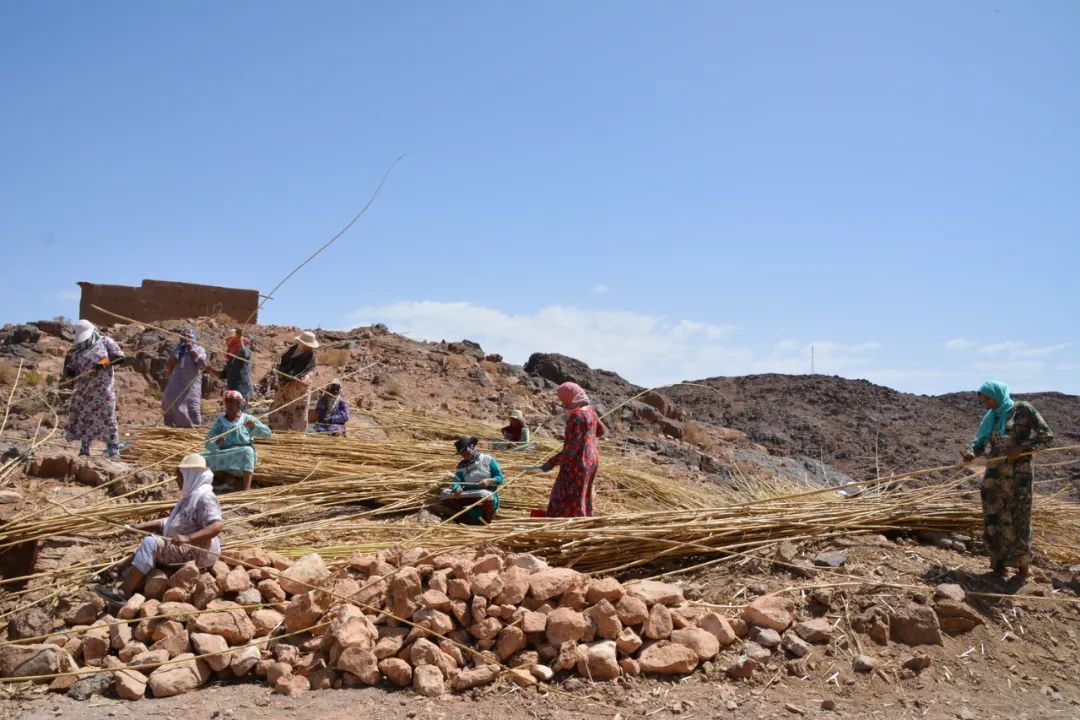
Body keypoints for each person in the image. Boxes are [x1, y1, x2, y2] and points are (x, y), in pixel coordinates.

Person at [95, 454, 223, 603]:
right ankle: (117, 569)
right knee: (152, 540)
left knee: (150, 543)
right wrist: (136, 527)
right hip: (184, 546)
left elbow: (216, 526)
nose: (176, 480)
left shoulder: (205, 497)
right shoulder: (191, 495)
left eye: (179, 476)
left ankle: (123, 592)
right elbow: (170, 522)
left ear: (190, 475)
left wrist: (188, 538)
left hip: (196, 551)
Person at [962, 380, 1054, 581]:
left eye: (988, 398)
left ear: (998, 394)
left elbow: (1047, 436)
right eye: (983, 400)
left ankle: (1022, 566)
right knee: (993, 517)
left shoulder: (1023, 409)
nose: (987, 403)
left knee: (1019, 518)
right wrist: (970, 453)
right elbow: (979, 442)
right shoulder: (991, 417)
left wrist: (1023, 448)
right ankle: (998, 565)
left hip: (1018, 476)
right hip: (994, 476)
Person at [530, 382, 606, 517]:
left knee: (563, 495)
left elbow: (571, 450)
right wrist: (587, 437)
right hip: (591, 460)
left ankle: (561, 523)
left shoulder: (576, 416)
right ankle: (584, 520)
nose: (562, 402)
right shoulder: (590, 411)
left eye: (563, 399)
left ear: (569, 396)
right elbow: (601, 431)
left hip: (577, 463)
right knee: (582, 494)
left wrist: (551, 463)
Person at [64, 320, 125, 457]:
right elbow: (72, 368)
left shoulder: (105, 341)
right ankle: (85, 449)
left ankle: (113, 449)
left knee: (108, 417)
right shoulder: (78, 350)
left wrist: (102, 363)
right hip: (84, 391)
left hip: (103, 390)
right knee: (85, 418)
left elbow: (119, 358)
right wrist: (70, 377)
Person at [202, 390, 272, 491]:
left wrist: (254, 426)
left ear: (239, 404)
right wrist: (216, 443)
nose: (229, 404)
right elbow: (207, 443)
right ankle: (226, 478)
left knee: (248, 451)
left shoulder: (247, 419)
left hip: (241, 458)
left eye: (232, 401)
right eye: (227, 401)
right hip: (225, 454)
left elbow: (268, 434)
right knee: (201, 458)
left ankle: (246, 488)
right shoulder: (220, 422)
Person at [438, 436, 504, 525]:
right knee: (444, 493)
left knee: (484, 494)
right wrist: (457, 488)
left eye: (466, 451)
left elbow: (500, 478)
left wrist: (489, 481)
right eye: (462, 453)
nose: (465, 455)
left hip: (485, 495)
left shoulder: (487, 459)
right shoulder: (461, 466)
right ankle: (463, 515)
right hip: (469, 495)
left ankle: (483, 519)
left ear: (472, 447)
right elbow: (457, 481)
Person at [269, 331, 318, 431]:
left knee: (298, 412)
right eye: (306, 345)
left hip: (300, 389)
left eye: (309, 346)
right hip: (286, 386)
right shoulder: (290, 351)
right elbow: (281, 365)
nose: (308, 347)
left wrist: (305, 378)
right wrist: (285, 375)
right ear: (301, 342)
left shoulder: (310, 356)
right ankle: (278, 430)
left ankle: (296, 434)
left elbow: (310, 370)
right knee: (280, 408)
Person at [162, 328, 207, 427]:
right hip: (176, 386)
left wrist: (191, 350)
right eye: (183, 336)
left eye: (188, 337)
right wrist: (173, 359)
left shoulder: (199, 349)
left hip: (191, 387)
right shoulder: (177, 350)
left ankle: (193, 433)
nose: (185, 339)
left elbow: (202, 365)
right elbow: (167, 369)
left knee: (192, 411)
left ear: (193, 338)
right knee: (170, 403)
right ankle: (173, 432)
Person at [218, 328, 254, 403]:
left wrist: (239, 338)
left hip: (242, 390)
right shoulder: (231, 359)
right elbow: (222, 375)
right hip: (232, 389)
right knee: (231, 411)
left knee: (238, 410)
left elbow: (244, 353)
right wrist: (208, 369)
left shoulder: (246, 350)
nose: (229, 345)